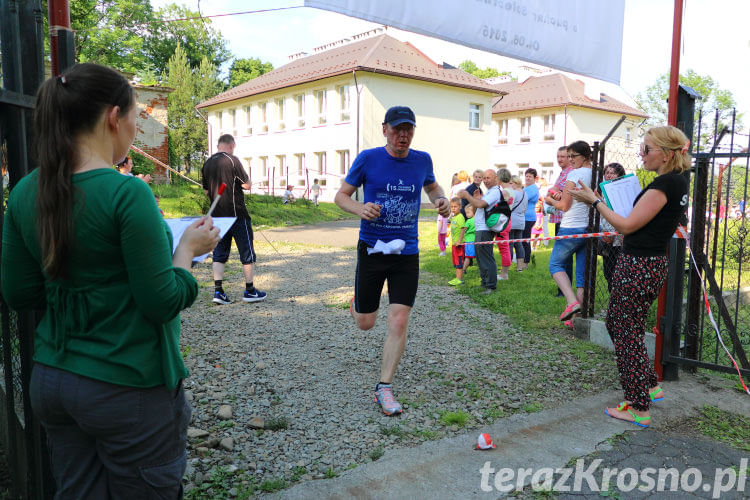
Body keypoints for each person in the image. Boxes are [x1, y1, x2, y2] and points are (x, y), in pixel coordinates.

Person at [0, 63, 220, 498]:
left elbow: (19, 292)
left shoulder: (25, 191)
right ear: (113, 117)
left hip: (53, 382)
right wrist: (186, 252)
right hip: (129, 387)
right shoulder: (127, 193)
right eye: (137, 120)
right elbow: (161, 301)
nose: (136, 131)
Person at [571, 126, 690, 428]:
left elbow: (626, 226)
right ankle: (649, 385)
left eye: (647, 148)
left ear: (666, 153)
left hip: (638, 265)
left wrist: (594, 202)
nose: (641, 153)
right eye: (642, 147)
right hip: (650, 263)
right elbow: (640, 221)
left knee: (622, 329)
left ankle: (639, 406)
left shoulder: (664, 184)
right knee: (629, 326)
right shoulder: (677, 182)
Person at [334, 105, 450, 415]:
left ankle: (384, 387)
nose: (403, 134)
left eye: (408, 129)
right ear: (385, 129)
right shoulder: (368, 159)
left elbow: (432, 186)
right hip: (372, 249)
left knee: (399, 319)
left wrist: (441, 199)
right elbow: (341, 196)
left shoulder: (422, 160)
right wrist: (360, 209)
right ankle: (358, 303)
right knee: (365, 323)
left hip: (406, 253)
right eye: (397, 128)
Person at [202, 134, 267, 304]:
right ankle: (250, 290)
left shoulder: (207, 163)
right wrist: (247, 183)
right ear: (231, 145)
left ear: (218, 145)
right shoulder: (232, 160)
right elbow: (246, 184)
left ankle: (218, 292)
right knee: (246, 252)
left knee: (219, 254)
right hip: (237, 215)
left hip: (217, 217)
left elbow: (206, 192)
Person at [548, 141, 593, 323]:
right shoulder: (595, 173)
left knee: (555, 265)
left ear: (585, 156)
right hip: (588, 228)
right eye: (568, 156)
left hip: (570, 226)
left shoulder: (574, 173)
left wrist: (551, 201)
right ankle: (578, 319)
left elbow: (564, 206)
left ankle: (571, 302)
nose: (569, 160)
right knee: (582, 276)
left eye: (573, 156)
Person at [459, 169, 502, 293]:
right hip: (480, 229)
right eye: (485, 178)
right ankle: (484, 283)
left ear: (495, 178)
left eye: (489, 178)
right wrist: (475, 198)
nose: (486, 180)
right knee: (480, 257)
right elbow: (477, 206)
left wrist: (468, 196)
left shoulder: (495, 192)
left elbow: (481, 204)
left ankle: (491, 286)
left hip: (485, 229)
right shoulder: (489, 192)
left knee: (486, 258)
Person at [546, 146, 574, 295]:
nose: (560, 159)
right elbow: (553, 189)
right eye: (558, 156)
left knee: (564, 258)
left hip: (565, 219)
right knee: (563, 258)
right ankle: (563, 289)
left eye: (563, 156)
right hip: (560, 218)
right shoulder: (562, 172)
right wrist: (553, 192)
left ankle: (564, 290)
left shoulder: (570, 173)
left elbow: (558, 192)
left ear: (569, 157)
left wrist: (553, 194)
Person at [597, 163, 627, 289]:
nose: (609, 175)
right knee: (608, 272)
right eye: (607, 173)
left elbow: (616, 210)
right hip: (606, 233)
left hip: (618, 236)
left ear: (620, 175)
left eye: (612, 172)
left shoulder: (620, 190)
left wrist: (598, 200)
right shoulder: (603, 190)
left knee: (616, 272)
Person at [493, 168, 514, 280]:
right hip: (507, 221)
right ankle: (503, 272)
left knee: (504, 248)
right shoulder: (511, 190)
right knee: (504, 247)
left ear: (500, 178)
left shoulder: (505, 192)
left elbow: (499, 206)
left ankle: (504, 274)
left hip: (502, 222)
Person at [521, 168, 540, 268]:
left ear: (534, 178)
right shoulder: (525, 187)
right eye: (526, 176)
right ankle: (521, 259)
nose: (527, 178)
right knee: (521, 239)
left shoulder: (533, 188)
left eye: (530, 176)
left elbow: (522, 198)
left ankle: (526, 262)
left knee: (525, 239)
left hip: (528, 217)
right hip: (523, 217)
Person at [508, 175, 528, 270]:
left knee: (510, 243)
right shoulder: (525, 193)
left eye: (511, 183)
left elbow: (509, 207)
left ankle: (507, 267)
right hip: (521, 220)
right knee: (519, 244)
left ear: (516, 183)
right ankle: (519, 267)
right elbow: (525, 209)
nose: (509, 185)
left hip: (512, 220)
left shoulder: (513, 193)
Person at [448, 198, 466, 285]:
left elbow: (463, 229)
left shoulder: (460, 217)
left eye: (455, 206)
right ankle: (457, 278)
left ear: (460, 207)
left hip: (459, 244)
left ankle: (459, 279)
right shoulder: (454, 217)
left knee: (459, 261)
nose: (453, 208)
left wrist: (459, 240)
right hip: (454, 244)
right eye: (451, 207)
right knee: (455, 261)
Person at [461, 204, 477, 277]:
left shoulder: (469, 221)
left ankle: (463, 269)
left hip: (469, 241)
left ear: (474, 212)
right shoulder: (477, 220)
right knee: (478, 256)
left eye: (468, 212)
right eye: (466, 212)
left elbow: (463, 230)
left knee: (468, 257)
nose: (466, 214)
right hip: (476, 240)